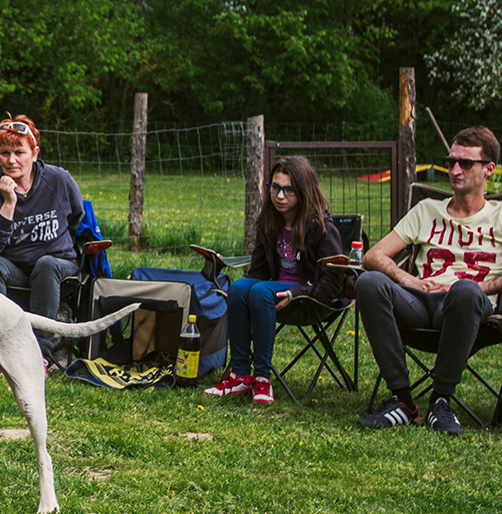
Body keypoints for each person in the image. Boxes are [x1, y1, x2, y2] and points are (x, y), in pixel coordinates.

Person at [356, 126, 502, 436]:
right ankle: (402, 400)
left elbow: (470, 291)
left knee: (464, 290)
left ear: (489, 168)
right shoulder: (426, 210)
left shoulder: (499, 216)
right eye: (451, 162)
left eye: (465, 163)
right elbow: (374, 256)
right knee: (369, 283)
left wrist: (472, 288)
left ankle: (441, 401)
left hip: (471, 307)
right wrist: (408, 279)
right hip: (421, 302)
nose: (455, 170)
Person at [205, 156, 344, 405]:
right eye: (275, 187)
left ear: (304, 191)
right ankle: (239, 376)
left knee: (259, 292)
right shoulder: (269, 223)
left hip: (309, 298)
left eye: (289, 189)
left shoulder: (320, 226)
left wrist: (297, 294)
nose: (280, 195)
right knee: (238, 288)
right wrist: (249, 295)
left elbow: (333, 282)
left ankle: (262, 379)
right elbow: (258, 272)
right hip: (272, 291)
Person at [0, 115, 85, 361]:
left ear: (35, 153)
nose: (11, 160)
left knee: (46, 264)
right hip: (14, 267)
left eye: (19, 152)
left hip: (58, 265)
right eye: (4, 153)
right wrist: (8, 204)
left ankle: (39, 353)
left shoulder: (59, 179)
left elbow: (77, 218)